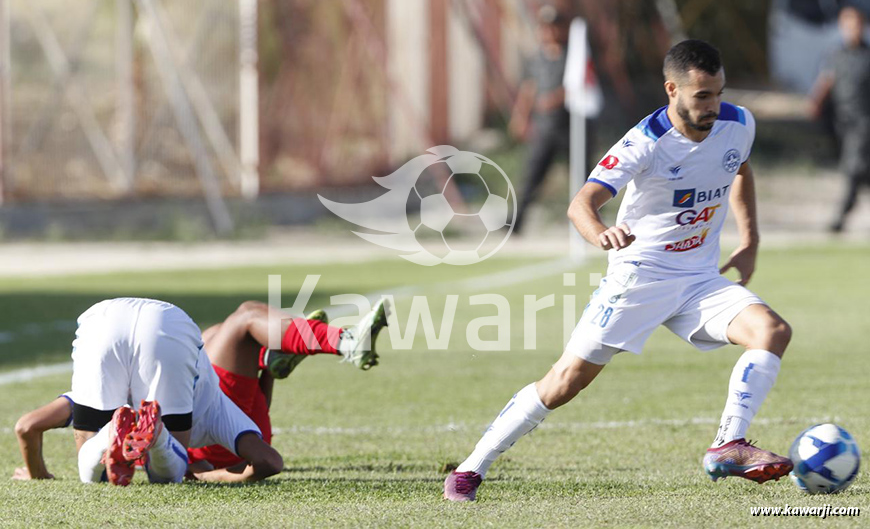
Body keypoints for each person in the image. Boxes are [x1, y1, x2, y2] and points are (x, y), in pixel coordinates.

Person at [444, 39, 794, 502]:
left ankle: (728, 443)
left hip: (698, 280)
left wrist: (749, 240)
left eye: (719, 93)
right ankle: (470, 469)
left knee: (772, 330)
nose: (714, 105)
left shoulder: (739, 123)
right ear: (672, 90)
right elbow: (581, 205)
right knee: (565, 381)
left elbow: (741, 170)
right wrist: (601, 233)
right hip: (639, 277)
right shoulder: (644, 142)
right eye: (702, 96)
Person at [13, 296, 389, 484]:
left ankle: (285, 350)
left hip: (108, 321)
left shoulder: (120, 386)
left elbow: (26, 427)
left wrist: (38, 475)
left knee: (237, 322)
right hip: (209, 408)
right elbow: (270, 461)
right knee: (240, 319)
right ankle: (322, 343)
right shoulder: (212, 408)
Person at [510, 5, 571, 234]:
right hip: (544, 128)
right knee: (532, 176)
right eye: (545, 28)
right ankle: (516, 223)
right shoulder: (536, 59)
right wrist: (521, 117)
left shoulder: (572, 56)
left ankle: (588, 221)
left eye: (553, 27)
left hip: (569, 127)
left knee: (583, 177)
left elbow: (579, 85)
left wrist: (555, 99)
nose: (549, 33)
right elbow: (528, 89)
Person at [809, 6, 870, 233]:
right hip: (841, 123)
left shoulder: (867, 55)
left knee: (853, 168)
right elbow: (827, 80)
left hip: (865, 124)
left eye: (856, 25)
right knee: (862, 170)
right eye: (847, 25)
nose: (852, 30)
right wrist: (815, 102)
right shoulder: (837, 55)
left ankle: (841, 216)